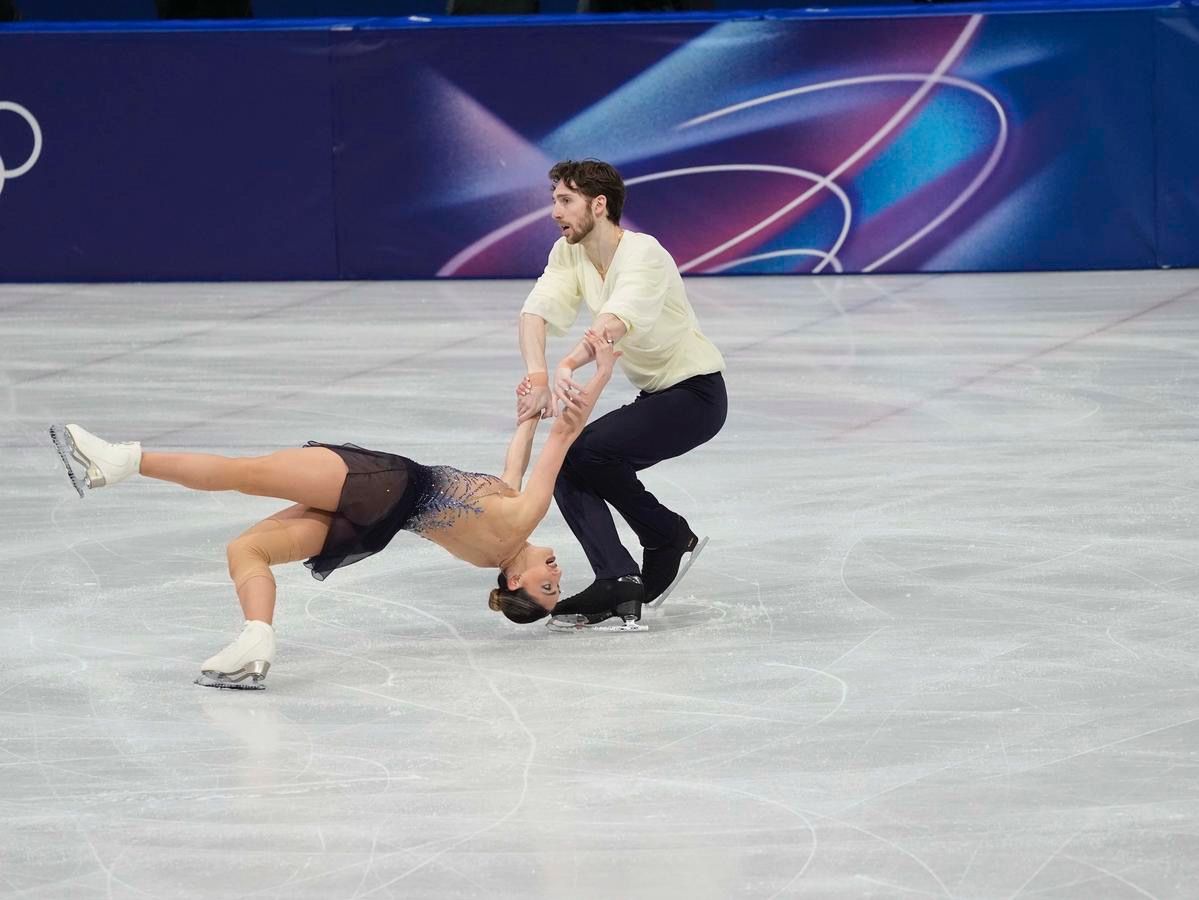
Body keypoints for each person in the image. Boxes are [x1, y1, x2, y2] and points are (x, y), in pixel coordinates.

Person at [50, 333, 620, 689]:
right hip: (379, 524)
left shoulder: (523, 520)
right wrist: (528, 417)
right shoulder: (495, 543)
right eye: (556, 585)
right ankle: (256, 638)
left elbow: (564, 435)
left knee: (244, 473)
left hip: (386, 483)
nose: (557, 573)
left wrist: (601, 371)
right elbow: (511, 474)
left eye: (546, 587)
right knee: (247, 550)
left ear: (515, 580)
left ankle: (122, 461)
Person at [517, 159, 727, 625]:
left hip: (696, 396)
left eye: (565, 200)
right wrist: (538, 376)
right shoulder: (569, 253)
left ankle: (664, 536)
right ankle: (620, 572)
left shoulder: (643, 253)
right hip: (657, 396)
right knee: (571, 465)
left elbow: (614, 322)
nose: (555, 211)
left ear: (599, 204)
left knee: (581, 455)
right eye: (554, 200)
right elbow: (535, 312)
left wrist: (569, 363)